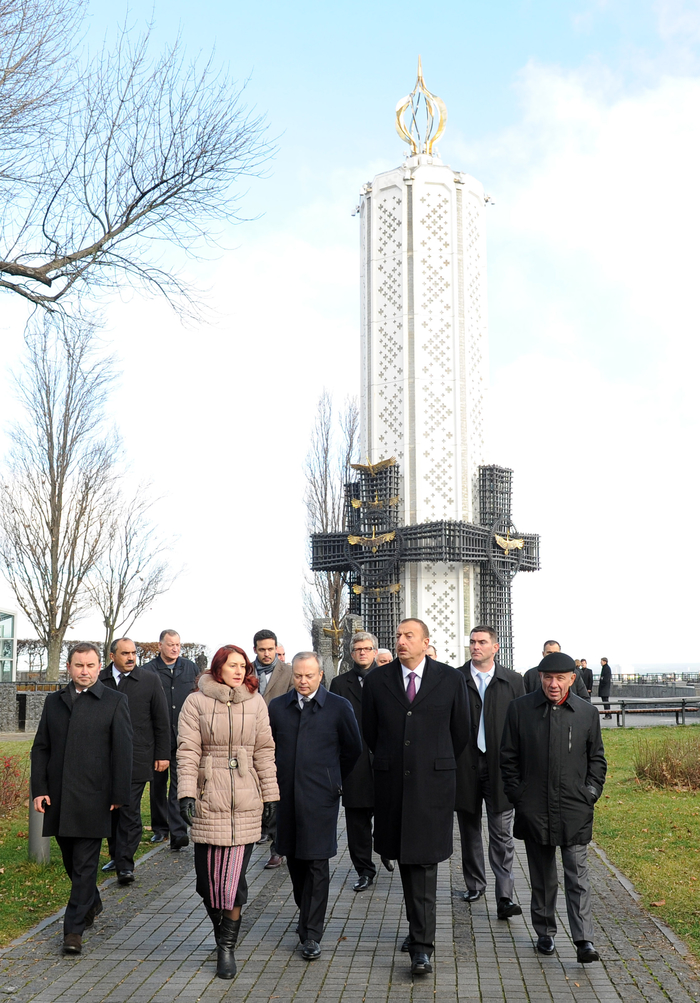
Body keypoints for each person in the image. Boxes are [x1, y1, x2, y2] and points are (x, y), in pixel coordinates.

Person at [362, 618, 470, 976]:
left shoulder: (450, 679)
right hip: (393, 786)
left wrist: (433, 762)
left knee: (424, 865)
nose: (401, 641)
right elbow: (370, 731)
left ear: (426, 642)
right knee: (408, 864)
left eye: (409, 636)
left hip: (432, 788)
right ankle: (417, 931)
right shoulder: (377, 681)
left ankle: (422, 948)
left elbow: (461, 732)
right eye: (398, 636)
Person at [177, 645, 279, 980]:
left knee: (232, 883)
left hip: (246, 799)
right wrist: (187, 792)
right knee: (208, 885)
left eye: (243, 666)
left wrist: (271, 797)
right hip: (210, 799)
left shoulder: (255, 701)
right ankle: (223, 933)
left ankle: (226, 948)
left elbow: (265, 751)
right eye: (233, 665)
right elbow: (188, 750)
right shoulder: (196, 702)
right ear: (218, 667)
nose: (239, 671)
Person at [500, 652, 607, 963]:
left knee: (577, 876)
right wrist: (519, 795)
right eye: (548, 677)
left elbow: (597, 759)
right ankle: (545, 933)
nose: (554, 684)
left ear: (572, 679)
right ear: (540, 678)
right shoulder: (520, 709)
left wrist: (591, 792)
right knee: (543, 877)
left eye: (561, 678)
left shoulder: (586, 713)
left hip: (575, 808)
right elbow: (508, 758)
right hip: (534, 808)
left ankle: (584, 940)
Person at [30, 643, 132, 956]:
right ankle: (93, 901)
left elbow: (123, 750)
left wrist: (118, 794)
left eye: (90, 665)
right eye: (78, 665)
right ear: (69, 667)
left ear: (99, 665)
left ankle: (73, 932)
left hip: (95, 797)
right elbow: (41, 747)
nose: (84, 671)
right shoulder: (54, 701)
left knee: (85, 866)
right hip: (59, 798)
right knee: (70, 863)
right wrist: (39, 788)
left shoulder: (115, 701)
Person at [268, 652, 362, 961]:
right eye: (298, 675)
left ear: (321, 675)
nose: (303, 681)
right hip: (286, 797)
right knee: (294, 858)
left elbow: (352, 749)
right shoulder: (278, 708)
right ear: (292, 675)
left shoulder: (338, 707)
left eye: (309, 675)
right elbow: (268, 748)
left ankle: (311, 933)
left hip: (321, 797)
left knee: (317, 863)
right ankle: (305, 910)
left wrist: (331, 779)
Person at [455, 625, 524, 919]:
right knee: (469, 830)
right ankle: (474, 884)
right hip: (465, 766)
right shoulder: (455, 678)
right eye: (472, 642)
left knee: (501, 833)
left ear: (496, 647)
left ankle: (505, 895)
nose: (475, 646)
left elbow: (522, 726)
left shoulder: (513, 681)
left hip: (500, 767)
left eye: (482, 642)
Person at [99, 637, 170, 884]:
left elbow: (161, 720)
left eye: (133, 653)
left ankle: (125, 865)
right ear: (112, 656)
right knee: (111, 810)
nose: (131, 657)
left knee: (129, 810)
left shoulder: (149, 680)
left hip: (138, 757)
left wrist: (163, 754)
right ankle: (117, 855)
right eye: (125, 653)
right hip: (105, 759)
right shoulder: (100, 680)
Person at [329, 631, 393, 891]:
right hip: (354, 762)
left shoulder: (389, 678)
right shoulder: (340, 683)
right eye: (358, 649)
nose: (363, 653)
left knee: (388, 813)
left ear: (375, 651)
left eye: (368, 648)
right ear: (351, 653)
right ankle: (365, 869)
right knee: (357, 822)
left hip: (385, 759)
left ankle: (386, 847)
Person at [143, 630, 198, 848]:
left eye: (178, 645)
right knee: (157, 785)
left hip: (183, 737)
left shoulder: (190, 668)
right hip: (158, 739)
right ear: (160, 646)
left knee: (178, 785)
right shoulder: (148, 671)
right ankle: (160, 828)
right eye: (170, 644)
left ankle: (178, 832)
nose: (175, 648)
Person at [252, 628, 294, 869]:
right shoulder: (245, 671)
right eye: (262, 649)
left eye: (271, 649)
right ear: (255, 649)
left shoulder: (288, 672)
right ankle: (259, 831)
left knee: (276, 794)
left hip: (278, 741)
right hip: (248, 741)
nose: (267, 654)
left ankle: (277, 848)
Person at [523, 640, 589, 700]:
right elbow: (523, 701)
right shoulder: (530, 675)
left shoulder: (573, 673)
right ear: (543, 654)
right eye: (549, 652)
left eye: (555, 653)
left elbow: (585, 698)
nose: (552, 655)